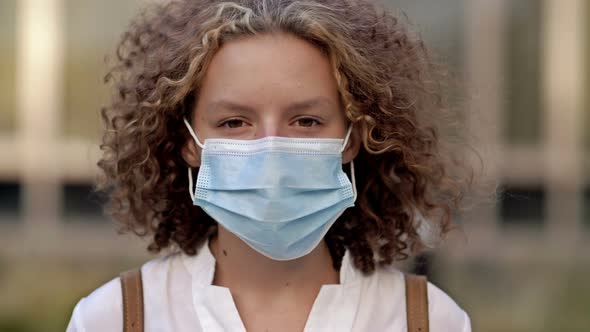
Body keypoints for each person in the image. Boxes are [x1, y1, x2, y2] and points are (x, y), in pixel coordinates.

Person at [66, 0, 473, 331]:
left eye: (306, 121)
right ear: (188, 143)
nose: (271, 151)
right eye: (234, 122)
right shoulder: (113, 319)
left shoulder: (429, 320)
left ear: (354, 138)